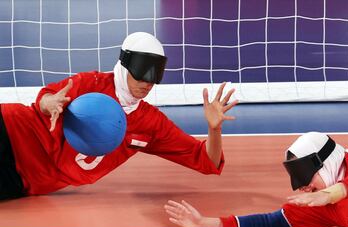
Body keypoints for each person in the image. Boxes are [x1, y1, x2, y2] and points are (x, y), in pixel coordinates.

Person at [0, 32, 238, 199]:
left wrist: (214, 128)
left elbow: (208, 162)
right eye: (141, 73)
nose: (148, 82)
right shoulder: (90, 83)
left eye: (154, 75)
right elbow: (45, 98)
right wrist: (49, 103)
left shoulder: (151, 124)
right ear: (124, 65)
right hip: (11, 129)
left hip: (24, 178)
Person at [165, 132, 348, 227]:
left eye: (304, 175)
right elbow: (271, 223)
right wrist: (205, 224)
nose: (303, 187)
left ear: (325, 162)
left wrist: (330, 194)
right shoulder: (325, 205)